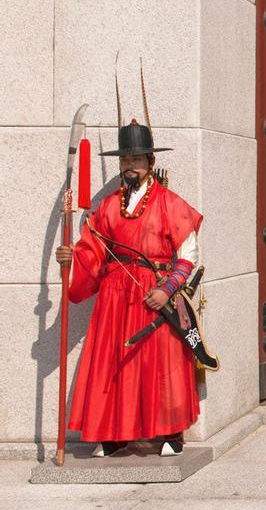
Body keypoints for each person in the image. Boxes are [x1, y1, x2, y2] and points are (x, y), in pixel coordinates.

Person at [55, 117, 204, 458]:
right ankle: (113, 433)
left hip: (155, 294)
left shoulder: (170, 203)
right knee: (115, 362)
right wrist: (71, 258)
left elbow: (188, 254)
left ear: (151, 163)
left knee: (161, 363)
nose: (130, 166)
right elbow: (92, 252)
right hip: (114, 297)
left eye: (137, 160)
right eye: (125, 160)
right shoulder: (108, 207)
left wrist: (167, 289)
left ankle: (169, 432)